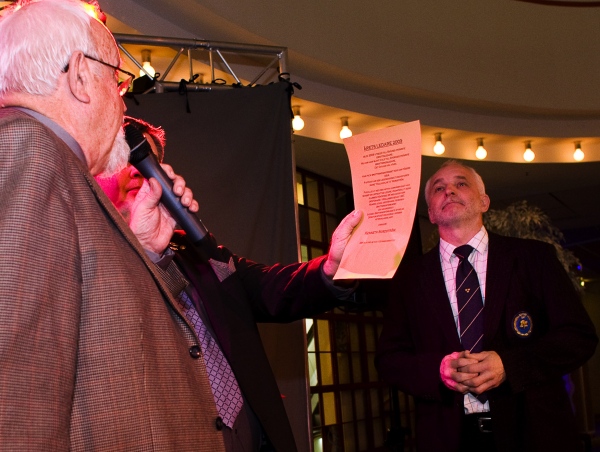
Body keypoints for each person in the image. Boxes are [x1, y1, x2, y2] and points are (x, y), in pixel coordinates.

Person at [0, 1, 360, 450]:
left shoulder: (50, 164)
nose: (121, 99)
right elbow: (19, 393)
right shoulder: (26, 147)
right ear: (79, 75)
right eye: (116, 80)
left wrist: (148, 250)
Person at [95, 116, 362, 451]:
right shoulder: (87, 259)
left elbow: (270, 288)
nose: (138, 170)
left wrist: (332, 267)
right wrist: (146, 251)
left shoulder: (194, 249)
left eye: (148, 161)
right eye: (124, 157)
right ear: (95, 171)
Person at [376, 160, 598, 451]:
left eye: (461, 183)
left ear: (484, 201)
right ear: (430, 213)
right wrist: (438, 370)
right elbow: (389, 359)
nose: (449, 191)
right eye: (439, 188)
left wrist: (509, 366)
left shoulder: (534, 258)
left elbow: (578, 337)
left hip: (532, 431)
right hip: (448, 438)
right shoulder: (409, 278)